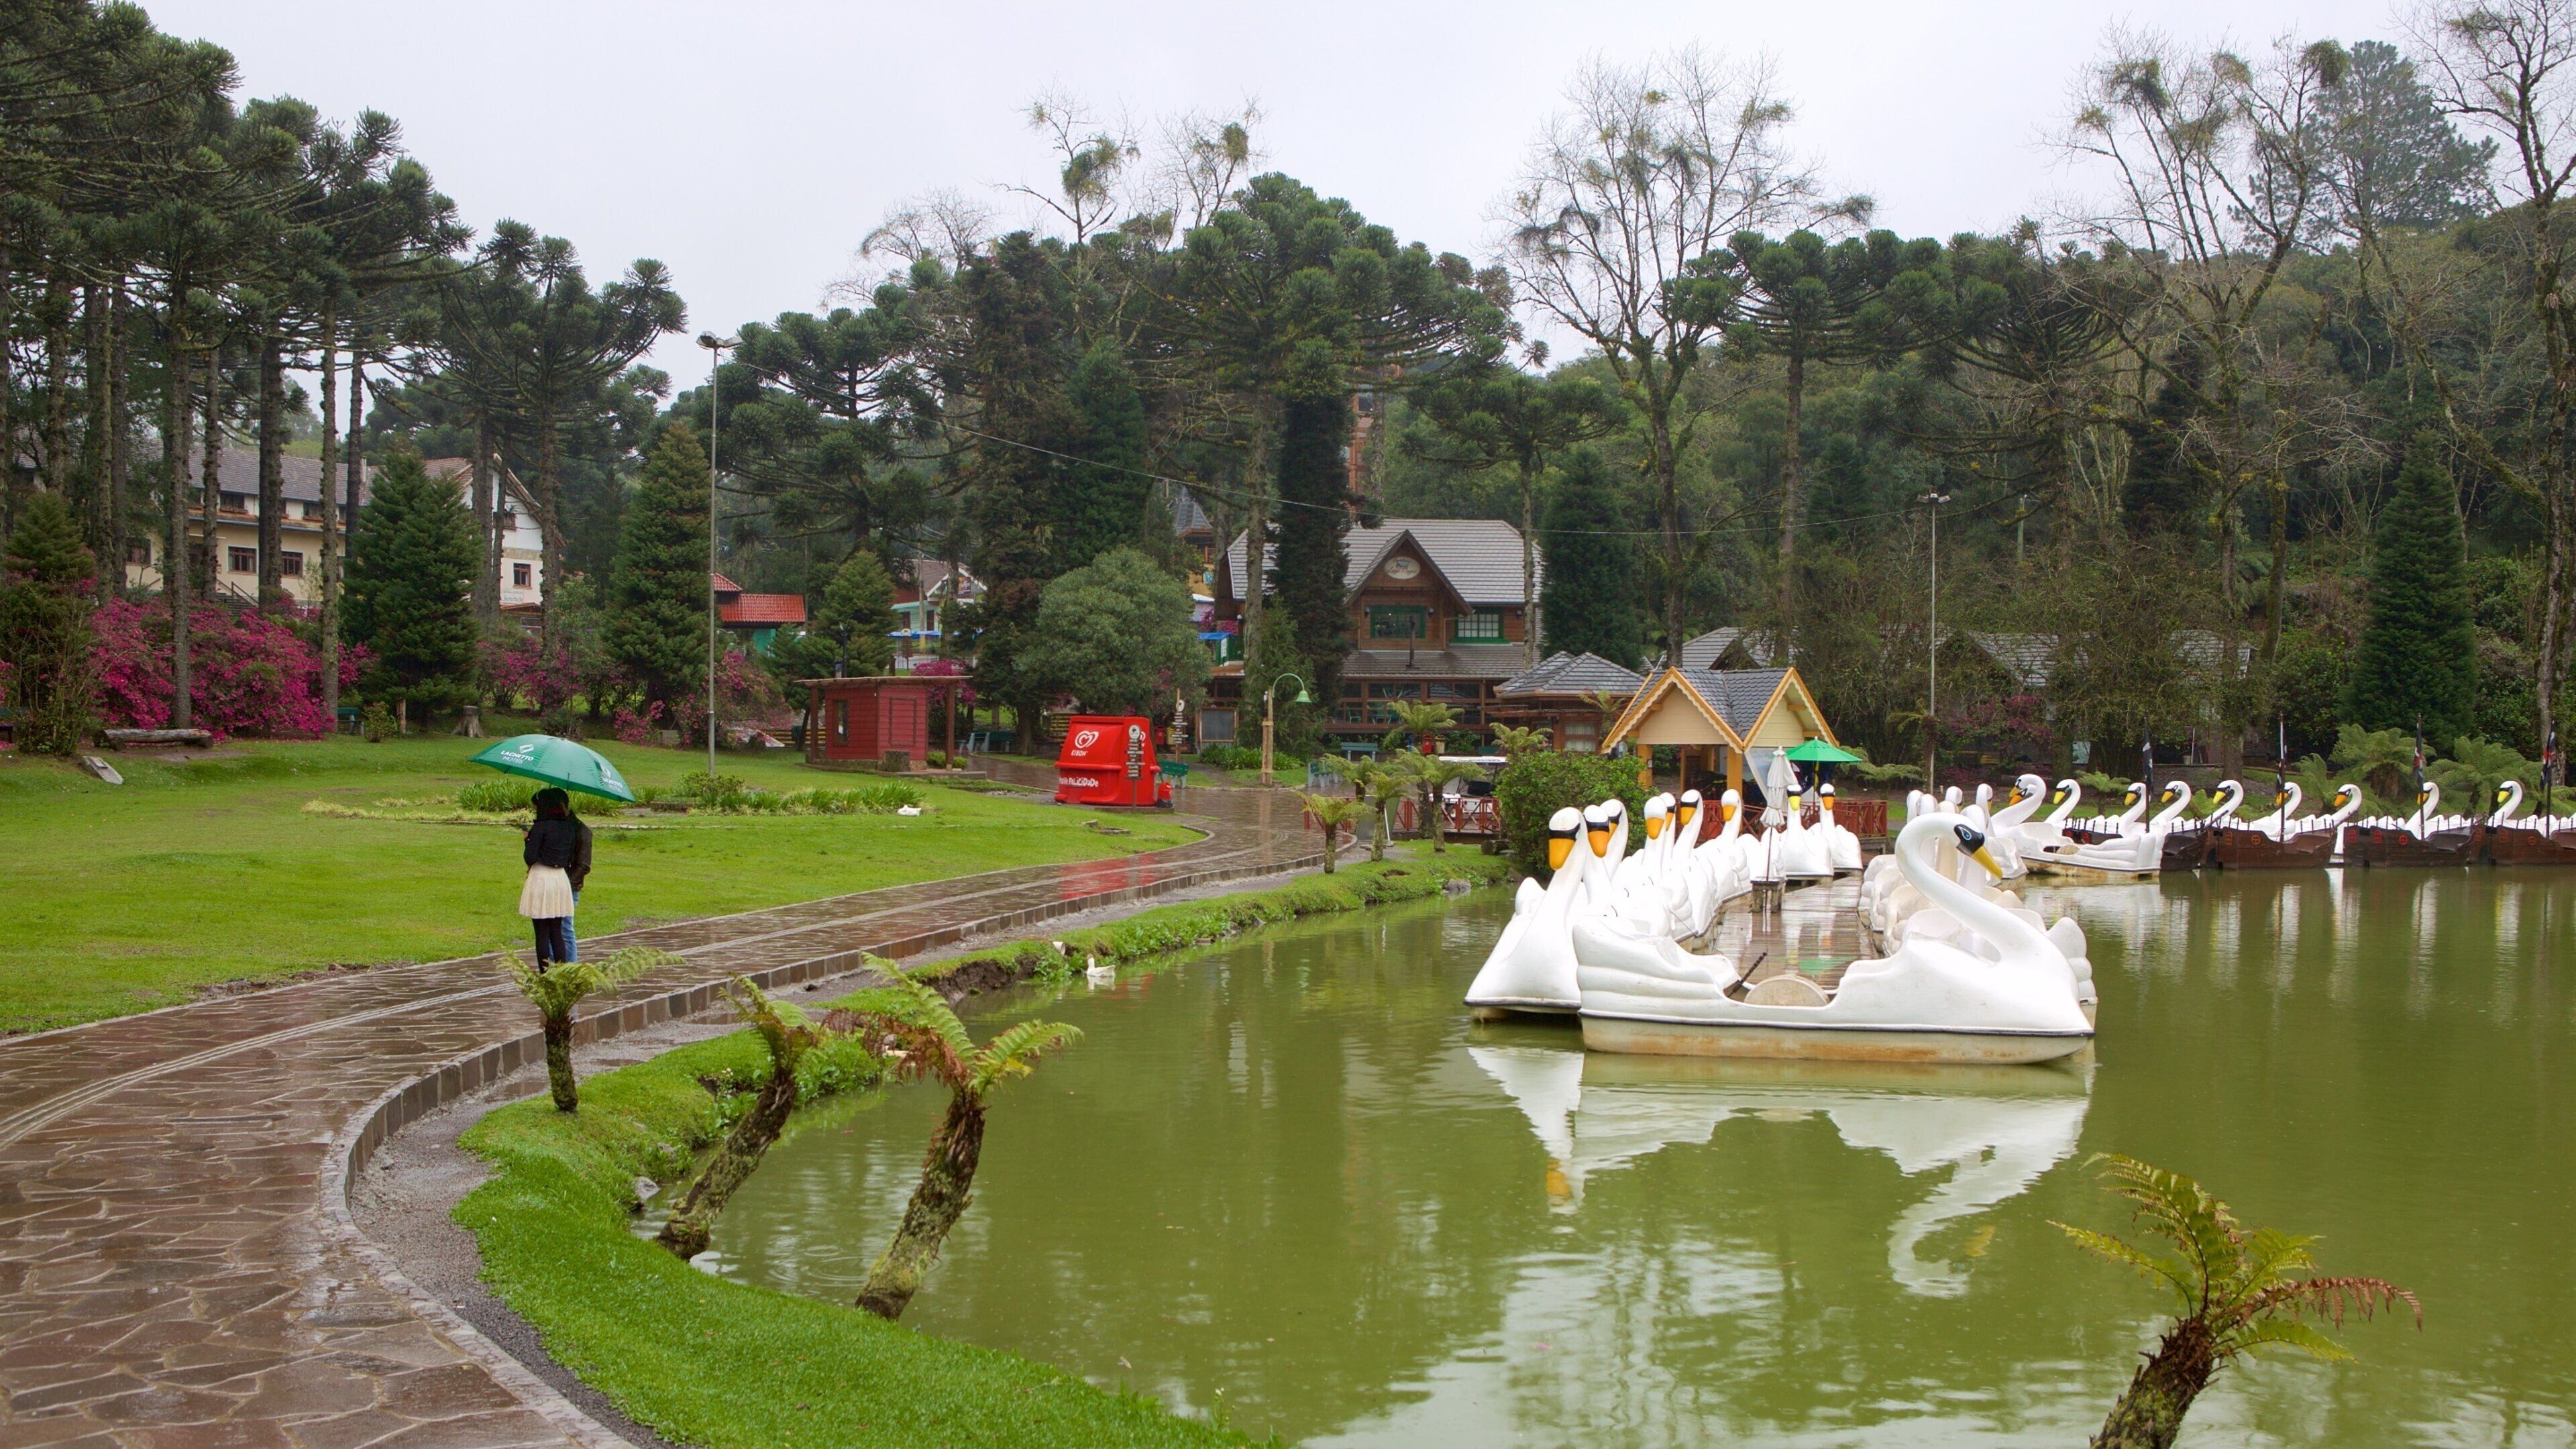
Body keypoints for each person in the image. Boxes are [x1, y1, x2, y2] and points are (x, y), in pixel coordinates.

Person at [519, 788, 592, 965]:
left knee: (544, 934)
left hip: (547, 879)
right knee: (557, 932)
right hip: (560, 879)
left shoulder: (543, 827)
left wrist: (529, 840)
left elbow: (530, 857)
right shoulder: (569, 827)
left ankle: (549, 972)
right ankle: (562, 969)